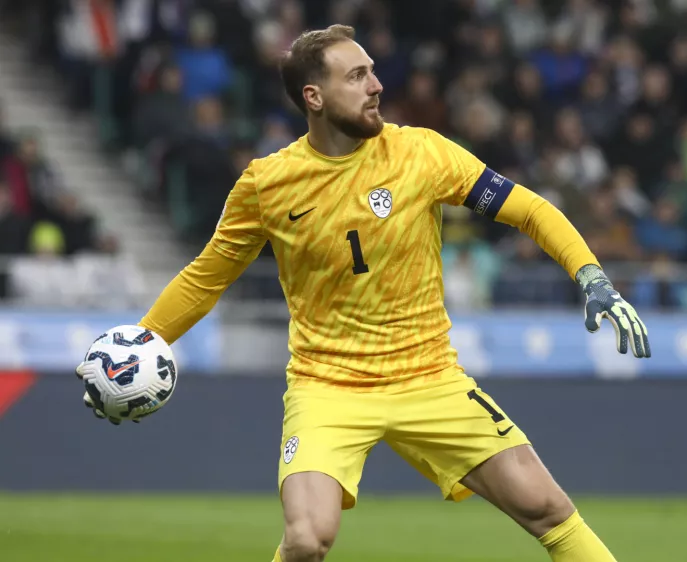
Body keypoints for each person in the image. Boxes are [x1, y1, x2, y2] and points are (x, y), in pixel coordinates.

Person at [76, 24, 650, 562]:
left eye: (372, 71)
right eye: (356, 76)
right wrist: (142, 345)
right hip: (328, 386)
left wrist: (591, 276)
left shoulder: (421, 153)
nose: (376, 85)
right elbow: (206, 277)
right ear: (314, 97)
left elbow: (528, 209)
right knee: (306, 539)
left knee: (547, 508)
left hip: (429, 376)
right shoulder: (266, 184)